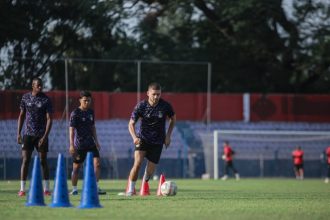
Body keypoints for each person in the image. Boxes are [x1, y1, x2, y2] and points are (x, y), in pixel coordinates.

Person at [125, 82, 176, 196]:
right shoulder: (141, 106)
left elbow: (173, 119)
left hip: (158, 141)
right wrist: (134, 137)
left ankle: (144, 183)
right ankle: (130, 190)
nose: (156, 97)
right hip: (142, 139)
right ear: (148, 93)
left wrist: (168, 136)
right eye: (154, 94)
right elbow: (131, 123)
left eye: (158, 94)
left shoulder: (165, 106)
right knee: (137, 164)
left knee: (150, 170)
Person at [17, 78, 53, 197]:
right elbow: (21, 115)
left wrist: (45, 136)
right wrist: (18, 133)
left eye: (41, 85)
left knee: (43, 161)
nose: (40, 87)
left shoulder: (46, 99)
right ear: (32, 85)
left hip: (41, 135)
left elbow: (49, 119)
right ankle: (22, 189)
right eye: (38, 85)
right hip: (27, 134)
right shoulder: (25, 98)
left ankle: (46, 189)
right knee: (26, 160)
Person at [69, 91, 106, 195]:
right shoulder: (75, 113)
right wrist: (71, 145)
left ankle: (96, 187)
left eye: (89, 100)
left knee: (97, 165)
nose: (87, 102)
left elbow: (92, 127)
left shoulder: (91, 112)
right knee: (76, 168)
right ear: (80, 100)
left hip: (91, 143)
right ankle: (74, 189)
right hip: (79, 145)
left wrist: (97, 141)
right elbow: (71, 130)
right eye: (85, 100)